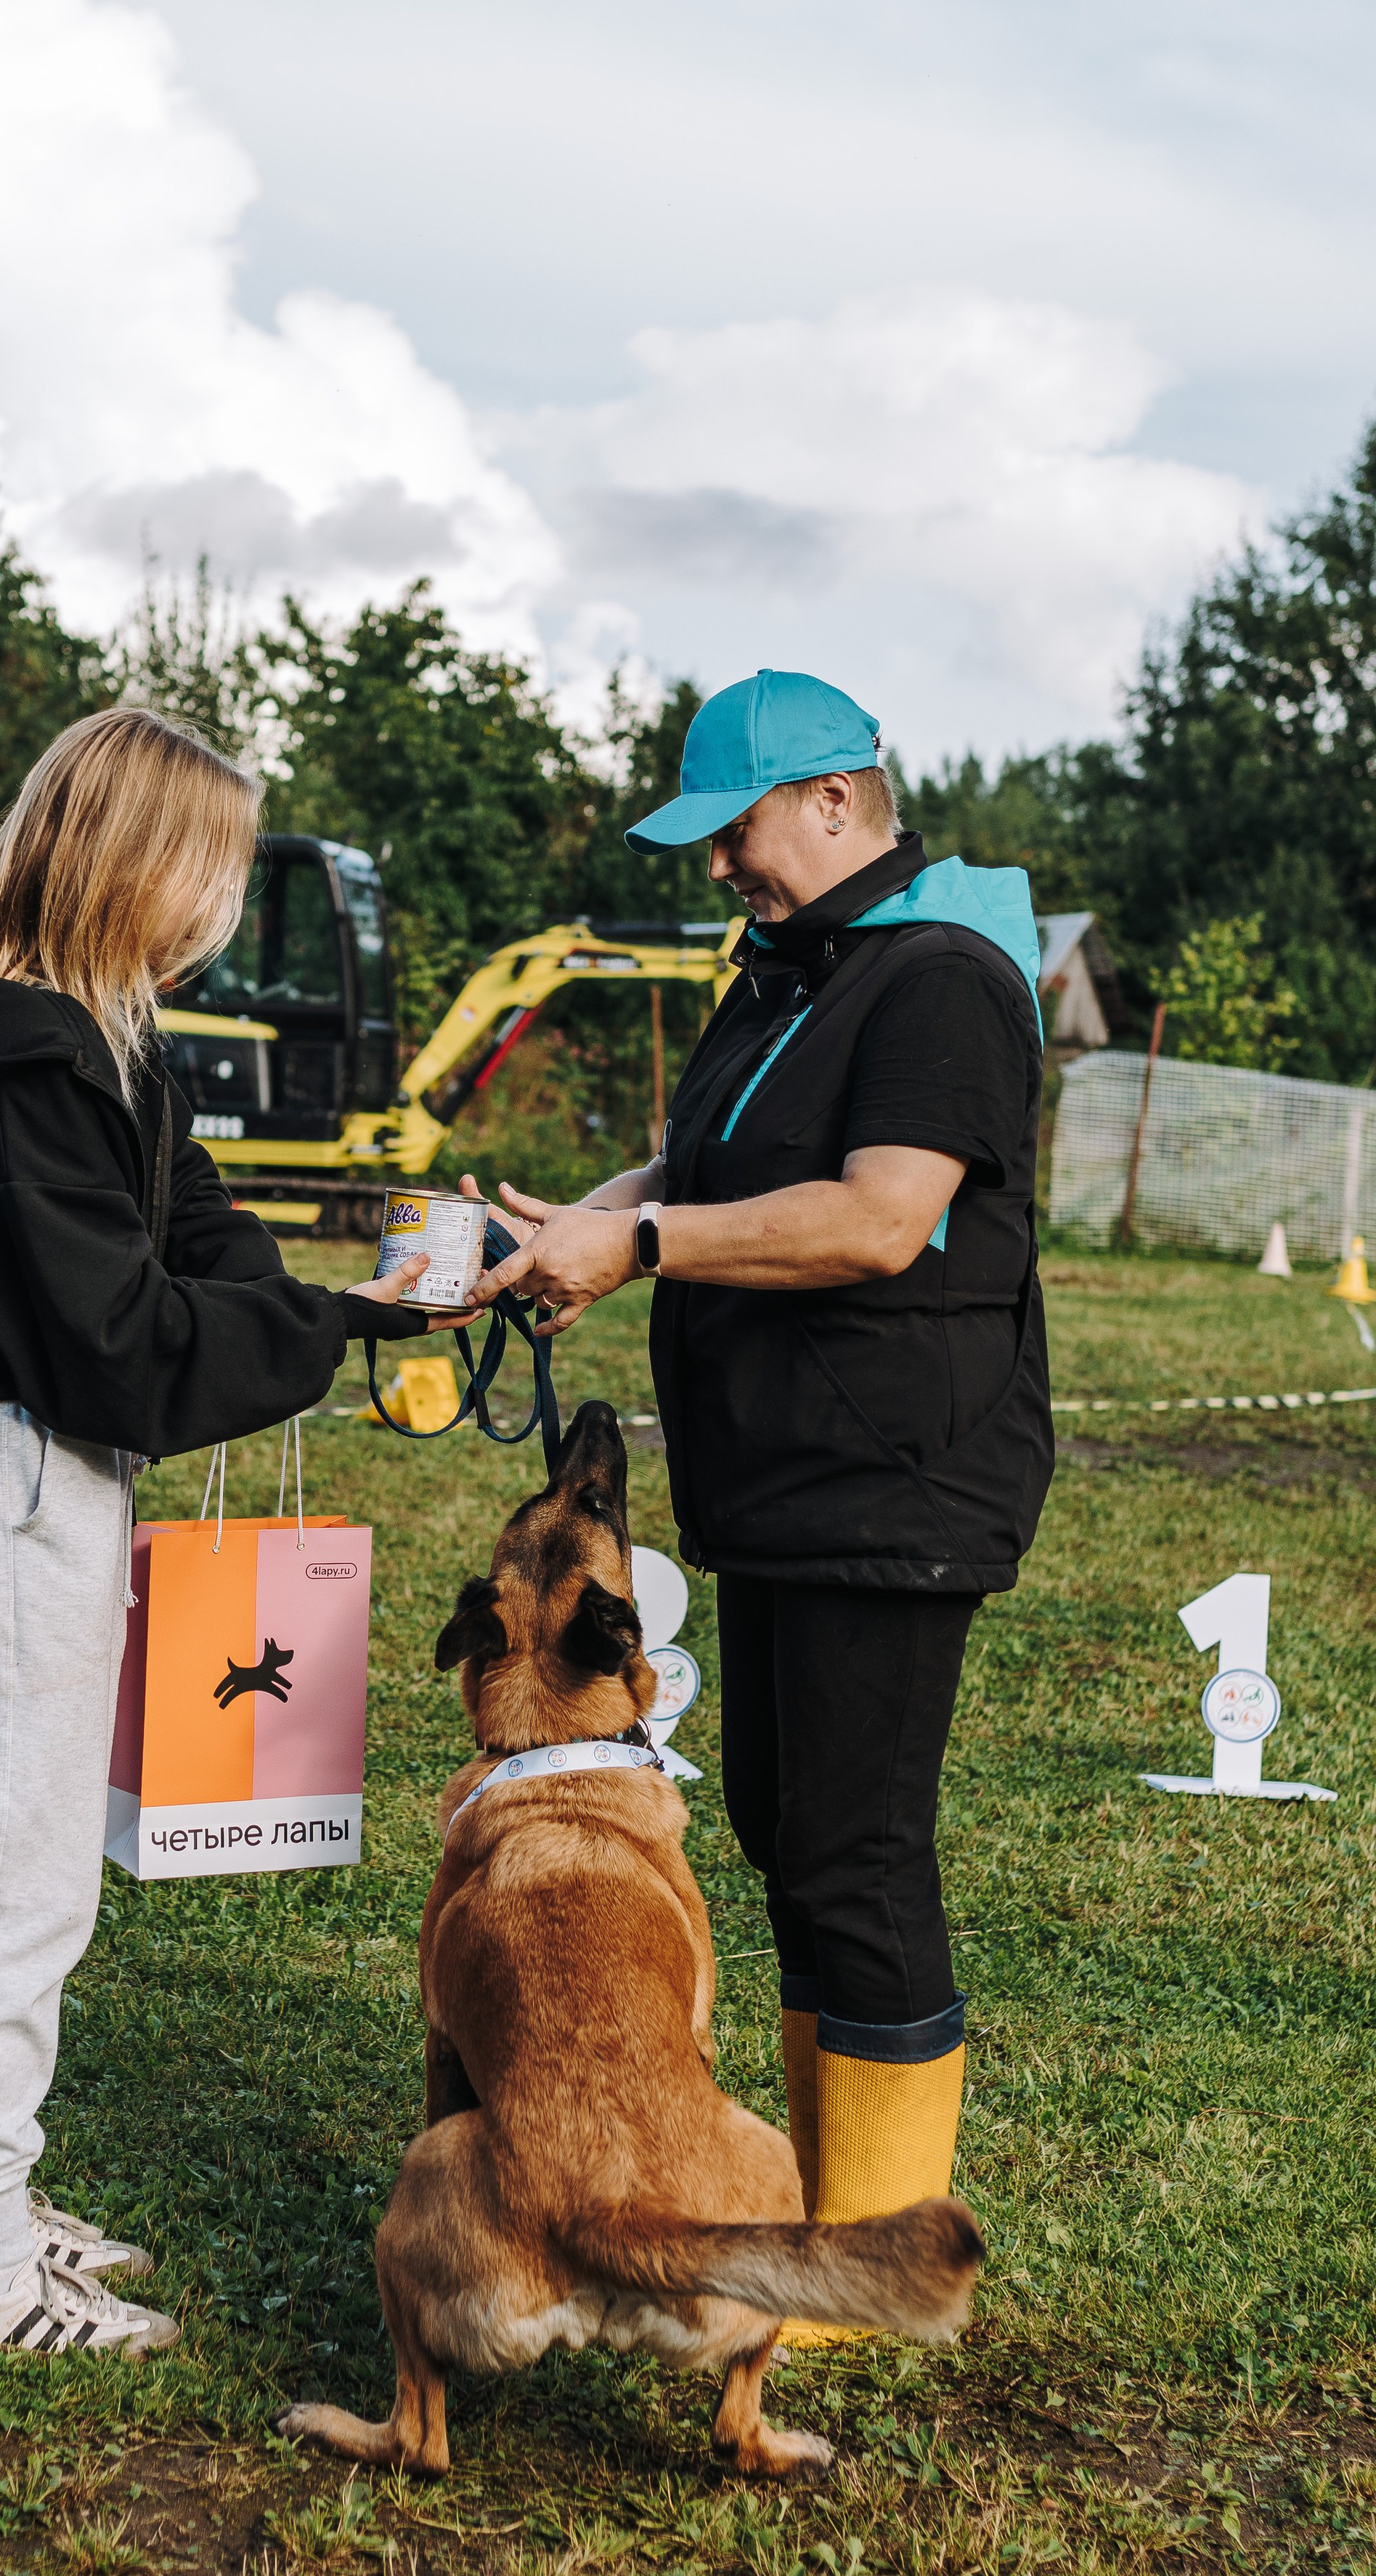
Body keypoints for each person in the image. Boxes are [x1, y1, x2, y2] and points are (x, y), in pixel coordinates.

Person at [0, 705, 446, 2363]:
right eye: (214, 868)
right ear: (144, 867)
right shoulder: (40, 1061)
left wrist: (342, 1306)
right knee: (18, 1876)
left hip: (27, 1467)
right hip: (2, 1471)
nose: (222, 902)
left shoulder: (88, 1040)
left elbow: (195, 1231)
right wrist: (315, 1336)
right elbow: (112, 1331)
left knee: (23, 1861)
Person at [465, 667, 1051, 2288]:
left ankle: (872, 2274)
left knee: (854, 1851)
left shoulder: (933, 977)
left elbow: (874, 1213)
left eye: (732, 831)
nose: (717, 864)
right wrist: (582, 1225)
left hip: (892, 1478)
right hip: (789, 1482)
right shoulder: (796, 967)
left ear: (836, 800)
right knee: (790, 1830)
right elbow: (713, 1162)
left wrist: (640, 1240)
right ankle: (819, 2228)